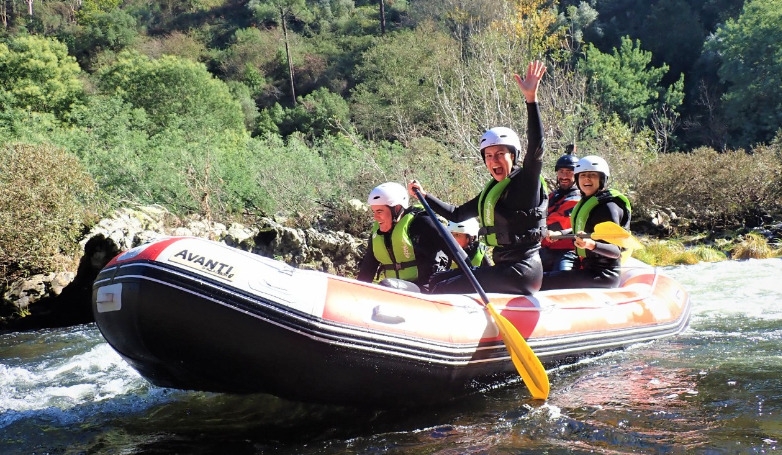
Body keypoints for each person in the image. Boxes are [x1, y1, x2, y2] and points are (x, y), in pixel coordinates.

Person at [408, 60, 548, 295]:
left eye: (500, 154)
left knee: (444, 287)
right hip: (504, 267)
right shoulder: (492, 191)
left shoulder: (526, 182)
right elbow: (457, 214)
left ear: (514, 156)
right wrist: (424, 196)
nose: (494, 161)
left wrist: (531, 100)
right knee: (438, 279)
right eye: (489, 156)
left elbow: (537, 149)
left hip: (522, 271)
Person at [540, 155, 632, 290]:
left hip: (604, 275)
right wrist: (559, 233)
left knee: (542, 281)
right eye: (582, 175)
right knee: (539, 277)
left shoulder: (609, 206)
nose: (587, 179)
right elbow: (583, 230)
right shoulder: (587, 202)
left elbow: (615, 251)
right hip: (589, 269)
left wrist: (591, 244)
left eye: (592, 175)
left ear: (602, 178)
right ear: (577, 179)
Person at [356, 182, 452, 292]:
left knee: (386, 286)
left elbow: (456, 253)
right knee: (384, 288)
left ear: (396, 208)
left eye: (379, 211)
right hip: (396, 290)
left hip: (426, 291)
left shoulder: (422, 223)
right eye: (374, 211)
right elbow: (366, 272)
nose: (375, 217)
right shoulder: (378, 232)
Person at [540, 145, 581, 272]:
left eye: (569, 172)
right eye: (561, 172)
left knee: (562, 276)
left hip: (568, 251)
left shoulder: (578, 199)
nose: (564, 176)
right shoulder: (554, 195)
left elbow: (555, 224)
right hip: (546, 250)